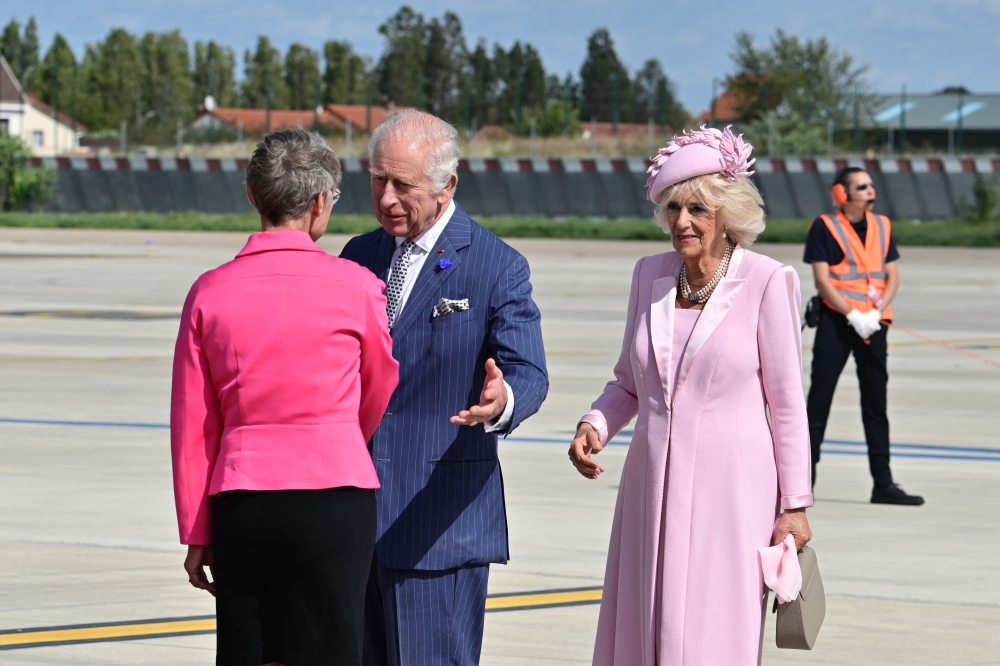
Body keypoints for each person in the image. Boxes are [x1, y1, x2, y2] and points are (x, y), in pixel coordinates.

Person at [568, 126, 814, 666]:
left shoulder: (769, 282)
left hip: (731, 490)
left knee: (712, 624)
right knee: (643, 616)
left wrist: (794, 504)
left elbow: (788, 405)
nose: (682, 221)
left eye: (698, 208)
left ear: (727, 214)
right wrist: (595, 425)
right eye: (674, 208)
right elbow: (630, 381)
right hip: (649, 482)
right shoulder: (648, 276)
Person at [171, 129, 399, 666]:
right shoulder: (358, 285)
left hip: (245, 501)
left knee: (252, 651)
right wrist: (338, 435)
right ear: (320, 203)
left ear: (253, 196)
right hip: (335, 497)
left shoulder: (210, 291)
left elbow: (194, 426)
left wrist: (197, 528)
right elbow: (378, 388)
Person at [339, 109, 548, 666]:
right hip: (353, 522)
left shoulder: (497, 265)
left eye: (402, 185)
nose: (385, 199)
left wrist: (502, 402)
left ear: (446, 184)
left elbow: (527, 370)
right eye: (377, 180)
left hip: (438, 524)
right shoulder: (357, 256)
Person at [804, 167, 923, 505]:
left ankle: (882, 484)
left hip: (873, 324)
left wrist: (874, 312)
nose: (871, 190)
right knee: (818, 403)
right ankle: (802, 482)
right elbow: (823, 281)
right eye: (862, 186)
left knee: (876, 403)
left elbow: (892, 277)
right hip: (837, 322)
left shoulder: (883, 225)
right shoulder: (824, 227)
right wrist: (852, 313)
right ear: (842, 193)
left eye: (871, 185)